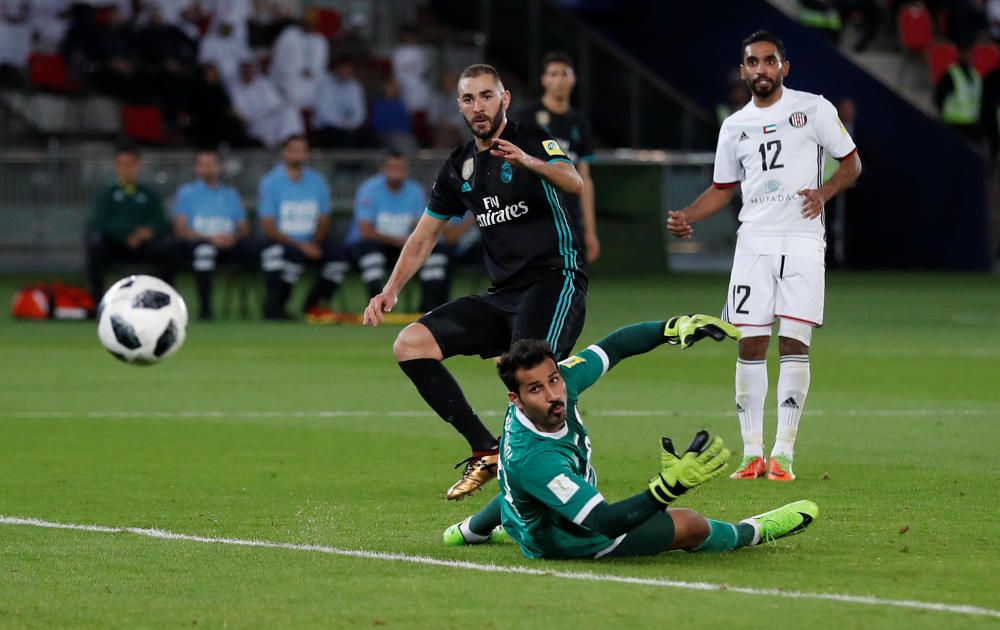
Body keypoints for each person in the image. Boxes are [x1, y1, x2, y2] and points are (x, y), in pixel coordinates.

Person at [363, 63, 587, 501]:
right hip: (502, 296)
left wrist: (529, 162)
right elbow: (425, 234)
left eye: (487, 96)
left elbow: (573, 181)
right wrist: (391, 289)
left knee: (531, 375)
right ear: (460, 107)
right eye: (469, 99)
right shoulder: (458, 166)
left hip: (554, 281)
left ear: (503, 99)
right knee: (411, 344)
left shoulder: (531, 140)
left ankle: (567, 468)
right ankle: (486, 449)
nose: (478, 106)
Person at [443, 316, 819, 559]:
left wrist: (670, 329)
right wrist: (664, 490)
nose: (553, 394)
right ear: (516, 399)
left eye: (553, 380)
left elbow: (617, 345)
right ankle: (752, 532)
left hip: (524, 505)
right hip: (565, 537)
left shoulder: (560, 386)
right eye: (537, 389)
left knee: (514, 494)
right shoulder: (537, 461)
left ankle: (468, 532)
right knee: (689, 524)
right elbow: (604, 521)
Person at [667, 31, 862, 482]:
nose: (761, 69)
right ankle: (751, 453)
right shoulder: (734, 126)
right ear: (743, 70)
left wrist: (826, 192)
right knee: (750, 342)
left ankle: (784, 454)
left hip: (802, 241)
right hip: (753, 242)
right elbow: (722, 189)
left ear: (784, 67)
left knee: (795, 340)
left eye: (769, 61)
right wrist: (688, 216)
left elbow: (851, 162)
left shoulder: (814, 108)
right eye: (753, 62)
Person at [517, 52, 601, 263]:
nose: (559, 80)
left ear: (573, 79)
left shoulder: (579, 123)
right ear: (544, 79)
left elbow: (585, 179)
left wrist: (590, 231)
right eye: (553, 74)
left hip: (569, 218)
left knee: (573, 287)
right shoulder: (526, 118)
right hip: (534, 216)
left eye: (565, 74)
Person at [344, 152, 449, 311]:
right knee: (371, 252)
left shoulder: (415, 191)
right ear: (383, 169)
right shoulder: (369, 189)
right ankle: (376, 306)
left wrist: (408, 240)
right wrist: (397, 240)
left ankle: (428, 308)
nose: (396, 172)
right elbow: (365, 231)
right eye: (392, 168)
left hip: (404, 244)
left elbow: (420, 225)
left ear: (407, 171)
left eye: (400, 168)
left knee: (436, 252)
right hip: (378, 244)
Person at [258, 134, 340, 320]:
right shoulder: (271, 183)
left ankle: (312, 304)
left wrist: (314, 242)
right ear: (284, 153)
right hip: (283, 242)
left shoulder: (318, 182)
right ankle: (276, 306)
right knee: (279, 255)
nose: (297, 155)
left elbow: (324, 220)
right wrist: (301, 246)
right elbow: (268, 226)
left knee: (339, 256)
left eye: (302, 150)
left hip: (312, 241)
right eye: (293, 150)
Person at [172, 148, 257, 321]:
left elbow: (244, 226)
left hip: (230, 245)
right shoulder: (186, 193)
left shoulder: (231, 194)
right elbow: (180, 229)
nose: (207, 168)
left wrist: (233, 238)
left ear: (219, 167)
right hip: (199, 245)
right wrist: (210, 239)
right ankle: (206, 309)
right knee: (204, 251)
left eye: (211, 164)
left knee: (262, 248)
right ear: (197, 168)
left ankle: (272, 308)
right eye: (203, 164)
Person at [86, 144, 176, 304]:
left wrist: (148, 232)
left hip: (144, 245)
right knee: (95, 246)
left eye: (130, 164)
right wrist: (126, 234)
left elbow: (162, 222)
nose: (125, 168)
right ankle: (97, 302)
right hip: (115, 246)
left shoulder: (148, 193)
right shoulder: (107, 193)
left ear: (138, 165)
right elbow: (98, 222)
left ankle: (165, 301)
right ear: (116, 166)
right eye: (121, 164)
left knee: (168, 249)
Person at [934, 46, 984, 144]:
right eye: (966, 54)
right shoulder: (951, 74)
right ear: (960, 56)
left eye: (971, 55)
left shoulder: (975, 75)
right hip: (953, 122)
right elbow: (939, 97)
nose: (969, 57)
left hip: (972, 122)